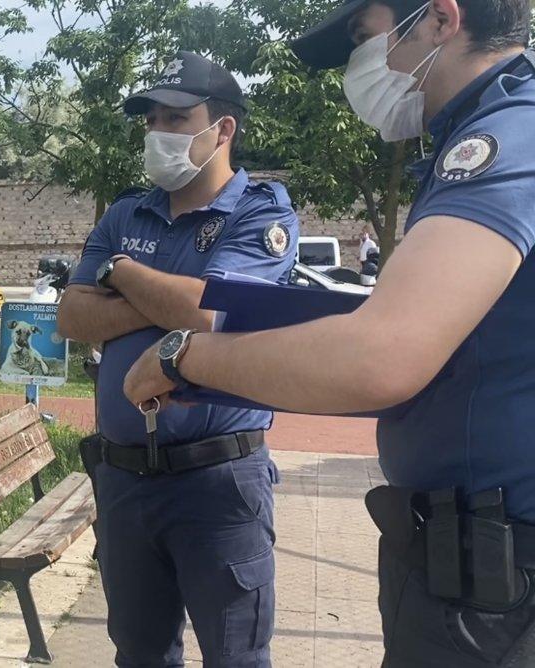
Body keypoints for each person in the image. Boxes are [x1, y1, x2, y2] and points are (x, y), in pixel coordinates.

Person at [121, 1, 535, 664]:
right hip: (471, 561)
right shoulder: (484, 131)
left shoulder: (503, 141)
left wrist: (183, 356)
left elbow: (381, 357)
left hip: (499, 578)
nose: (358, 67)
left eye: (362, 39)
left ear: (439, 19)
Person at [57, 51, 299, 667]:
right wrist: (174, 293)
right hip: (124, 482)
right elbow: (72, 317)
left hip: (217, 486)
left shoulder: (262, 212)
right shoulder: (125, 211)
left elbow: (208, 315)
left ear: (223, 130)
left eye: (175, 117)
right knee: (140, 655)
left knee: (236, 658)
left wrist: (121, 271)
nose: (158, 132)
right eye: (152, 119)